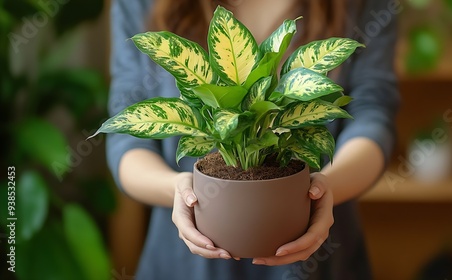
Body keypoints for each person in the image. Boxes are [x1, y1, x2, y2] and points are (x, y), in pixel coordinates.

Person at [107, 0, 400, 279]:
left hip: (318, 260)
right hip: (185, 263)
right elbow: (127, 136)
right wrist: (179, 191)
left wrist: (325, 188)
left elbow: (373, 113)